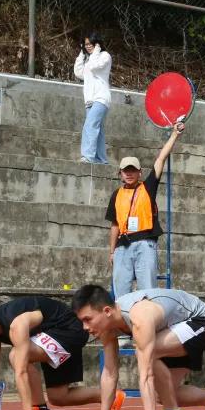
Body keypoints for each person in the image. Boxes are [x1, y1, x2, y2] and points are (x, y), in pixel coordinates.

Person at [70, 284, 205, 410]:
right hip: (170, 328)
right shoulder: (107, 327)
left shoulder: (140, 317)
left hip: (202, 319)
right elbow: (110, 373)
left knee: (145, 353)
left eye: (88, 320)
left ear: (107, 311)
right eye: (81, 321)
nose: (85, 327)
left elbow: (146, 375)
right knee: (162, 395)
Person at [107, 121, 184, 296]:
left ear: (139, 172)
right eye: (125, 171)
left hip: (144, 243)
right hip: (122, 245)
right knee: (120, 294)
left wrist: (174, 134)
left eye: (133, 170)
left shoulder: (147, 187)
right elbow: (114, 225)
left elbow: (160, 159)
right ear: (120, 174)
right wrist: (112, 251)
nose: (129, 174)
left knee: (148, 291)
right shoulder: (116, 195)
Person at [74, 32, 112, 164]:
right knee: (98, 130)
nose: (88, 46)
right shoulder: (89, 60)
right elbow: (78, 72)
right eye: (86, 44)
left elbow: (95, 67)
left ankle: (88, 156)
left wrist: (96, 51)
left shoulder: (104, 56)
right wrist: (81, 53)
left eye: (91, 44)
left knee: (89, 125)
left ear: (97, 44)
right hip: (90, 100)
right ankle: (101, 159)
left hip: (101, 98)